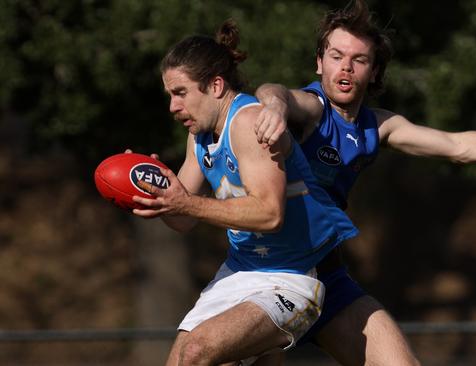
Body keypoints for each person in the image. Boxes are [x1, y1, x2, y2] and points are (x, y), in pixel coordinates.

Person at [253, 0, 476, 365]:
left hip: (326, 276)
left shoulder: (377, 126)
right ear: (319, 62)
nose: (345, 67)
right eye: (335, 56)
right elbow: (276, 91)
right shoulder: (313, 110)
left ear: (374, 72)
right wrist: (274, 108)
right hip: (270, 272)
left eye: (359, 60)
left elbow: (458, 146)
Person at [130, 20, 359, 366]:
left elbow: (269, 213)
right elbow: (182, 219)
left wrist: (186, 203)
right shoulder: (199, 135)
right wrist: (150, 188)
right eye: (170, 96)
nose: (173, 107)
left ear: (215, 85)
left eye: (180, 93)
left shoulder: (250, 123)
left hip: (291, 280)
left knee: (198, 350)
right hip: (241, 269)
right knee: (180, 360)